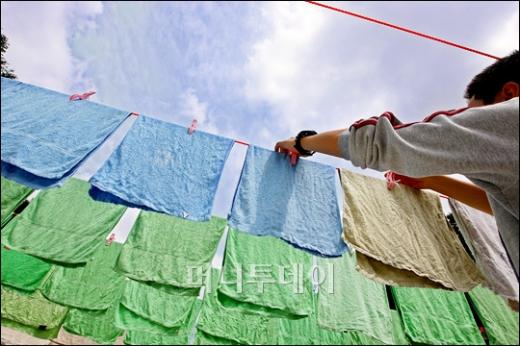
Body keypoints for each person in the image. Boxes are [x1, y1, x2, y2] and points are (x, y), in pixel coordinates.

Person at [274, 50, 519, 278]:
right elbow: (504, 202)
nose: (469, 118)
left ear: (509, 94)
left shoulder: (510, 118)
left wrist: (303, 141)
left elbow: (383, 143)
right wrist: (434, 180)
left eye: (473, 112)